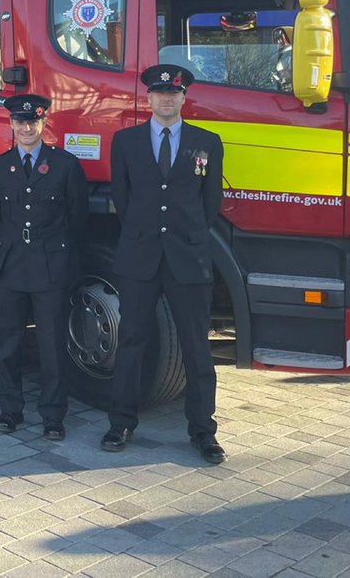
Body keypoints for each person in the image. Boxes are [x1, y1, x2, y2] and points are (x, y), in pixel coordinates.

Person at [100, 64, 226, 464]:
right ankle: (121, 422)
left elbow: (209, 207)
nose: (166, 99)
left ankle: (203, 432)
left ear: (183, 98)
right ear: (149, 98)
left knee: (195, 347)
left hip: (188, 258)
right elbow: (123, 197)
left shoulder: (208, 142)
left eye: (173, 93)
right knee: (132, 340)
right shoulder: (126, 142)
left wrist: (181, 234)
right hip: (139, 255)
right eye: (159, 93)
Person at [0, 93, 87, 439]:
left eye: (33, 121)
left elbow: (78, 218)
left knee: (52, 345)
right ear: (11, 124)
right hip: (10, 264)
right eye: (20, 122)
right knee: (8, 343)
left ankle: (53, 415)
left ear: (43, 124)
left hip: (50, 265)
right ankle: (10, 410)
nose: (26, 128)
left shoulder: (66, 165)